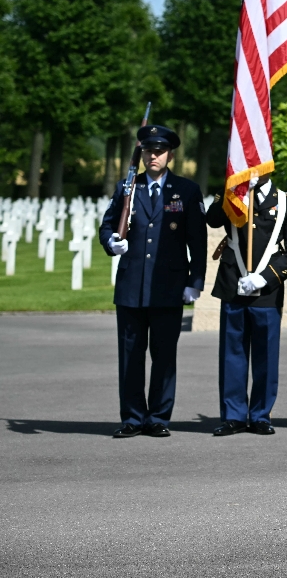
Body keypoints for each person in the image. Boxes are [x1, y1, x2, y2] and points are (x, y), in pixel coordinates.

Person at [99, 125, 207, 438]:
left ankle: (159, 416)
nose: (153, 156)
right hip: (132, 286)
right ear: (142, 153)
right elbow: (107, 227)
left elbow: (197, 241)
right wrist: (112, 243)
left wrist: (194, 281)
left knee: (163, 356)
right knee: (131, 357)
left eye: (159, 151)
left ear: (170, 154)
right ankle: (132, 418)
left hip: (169, 287)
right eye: (148, 150)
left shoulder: (186, 191)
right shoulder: (127, 187)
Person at [205, 175, 287, 436]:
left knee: (266, 355)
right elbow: (213, 219)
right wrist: (232, 191)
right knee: (232, 354)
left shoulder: (285, 202)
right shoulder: (233, 194)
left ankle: (261, 414)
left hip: (266, 290)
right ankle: (234, 416)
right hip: (233, 284)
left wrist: (266, 277)